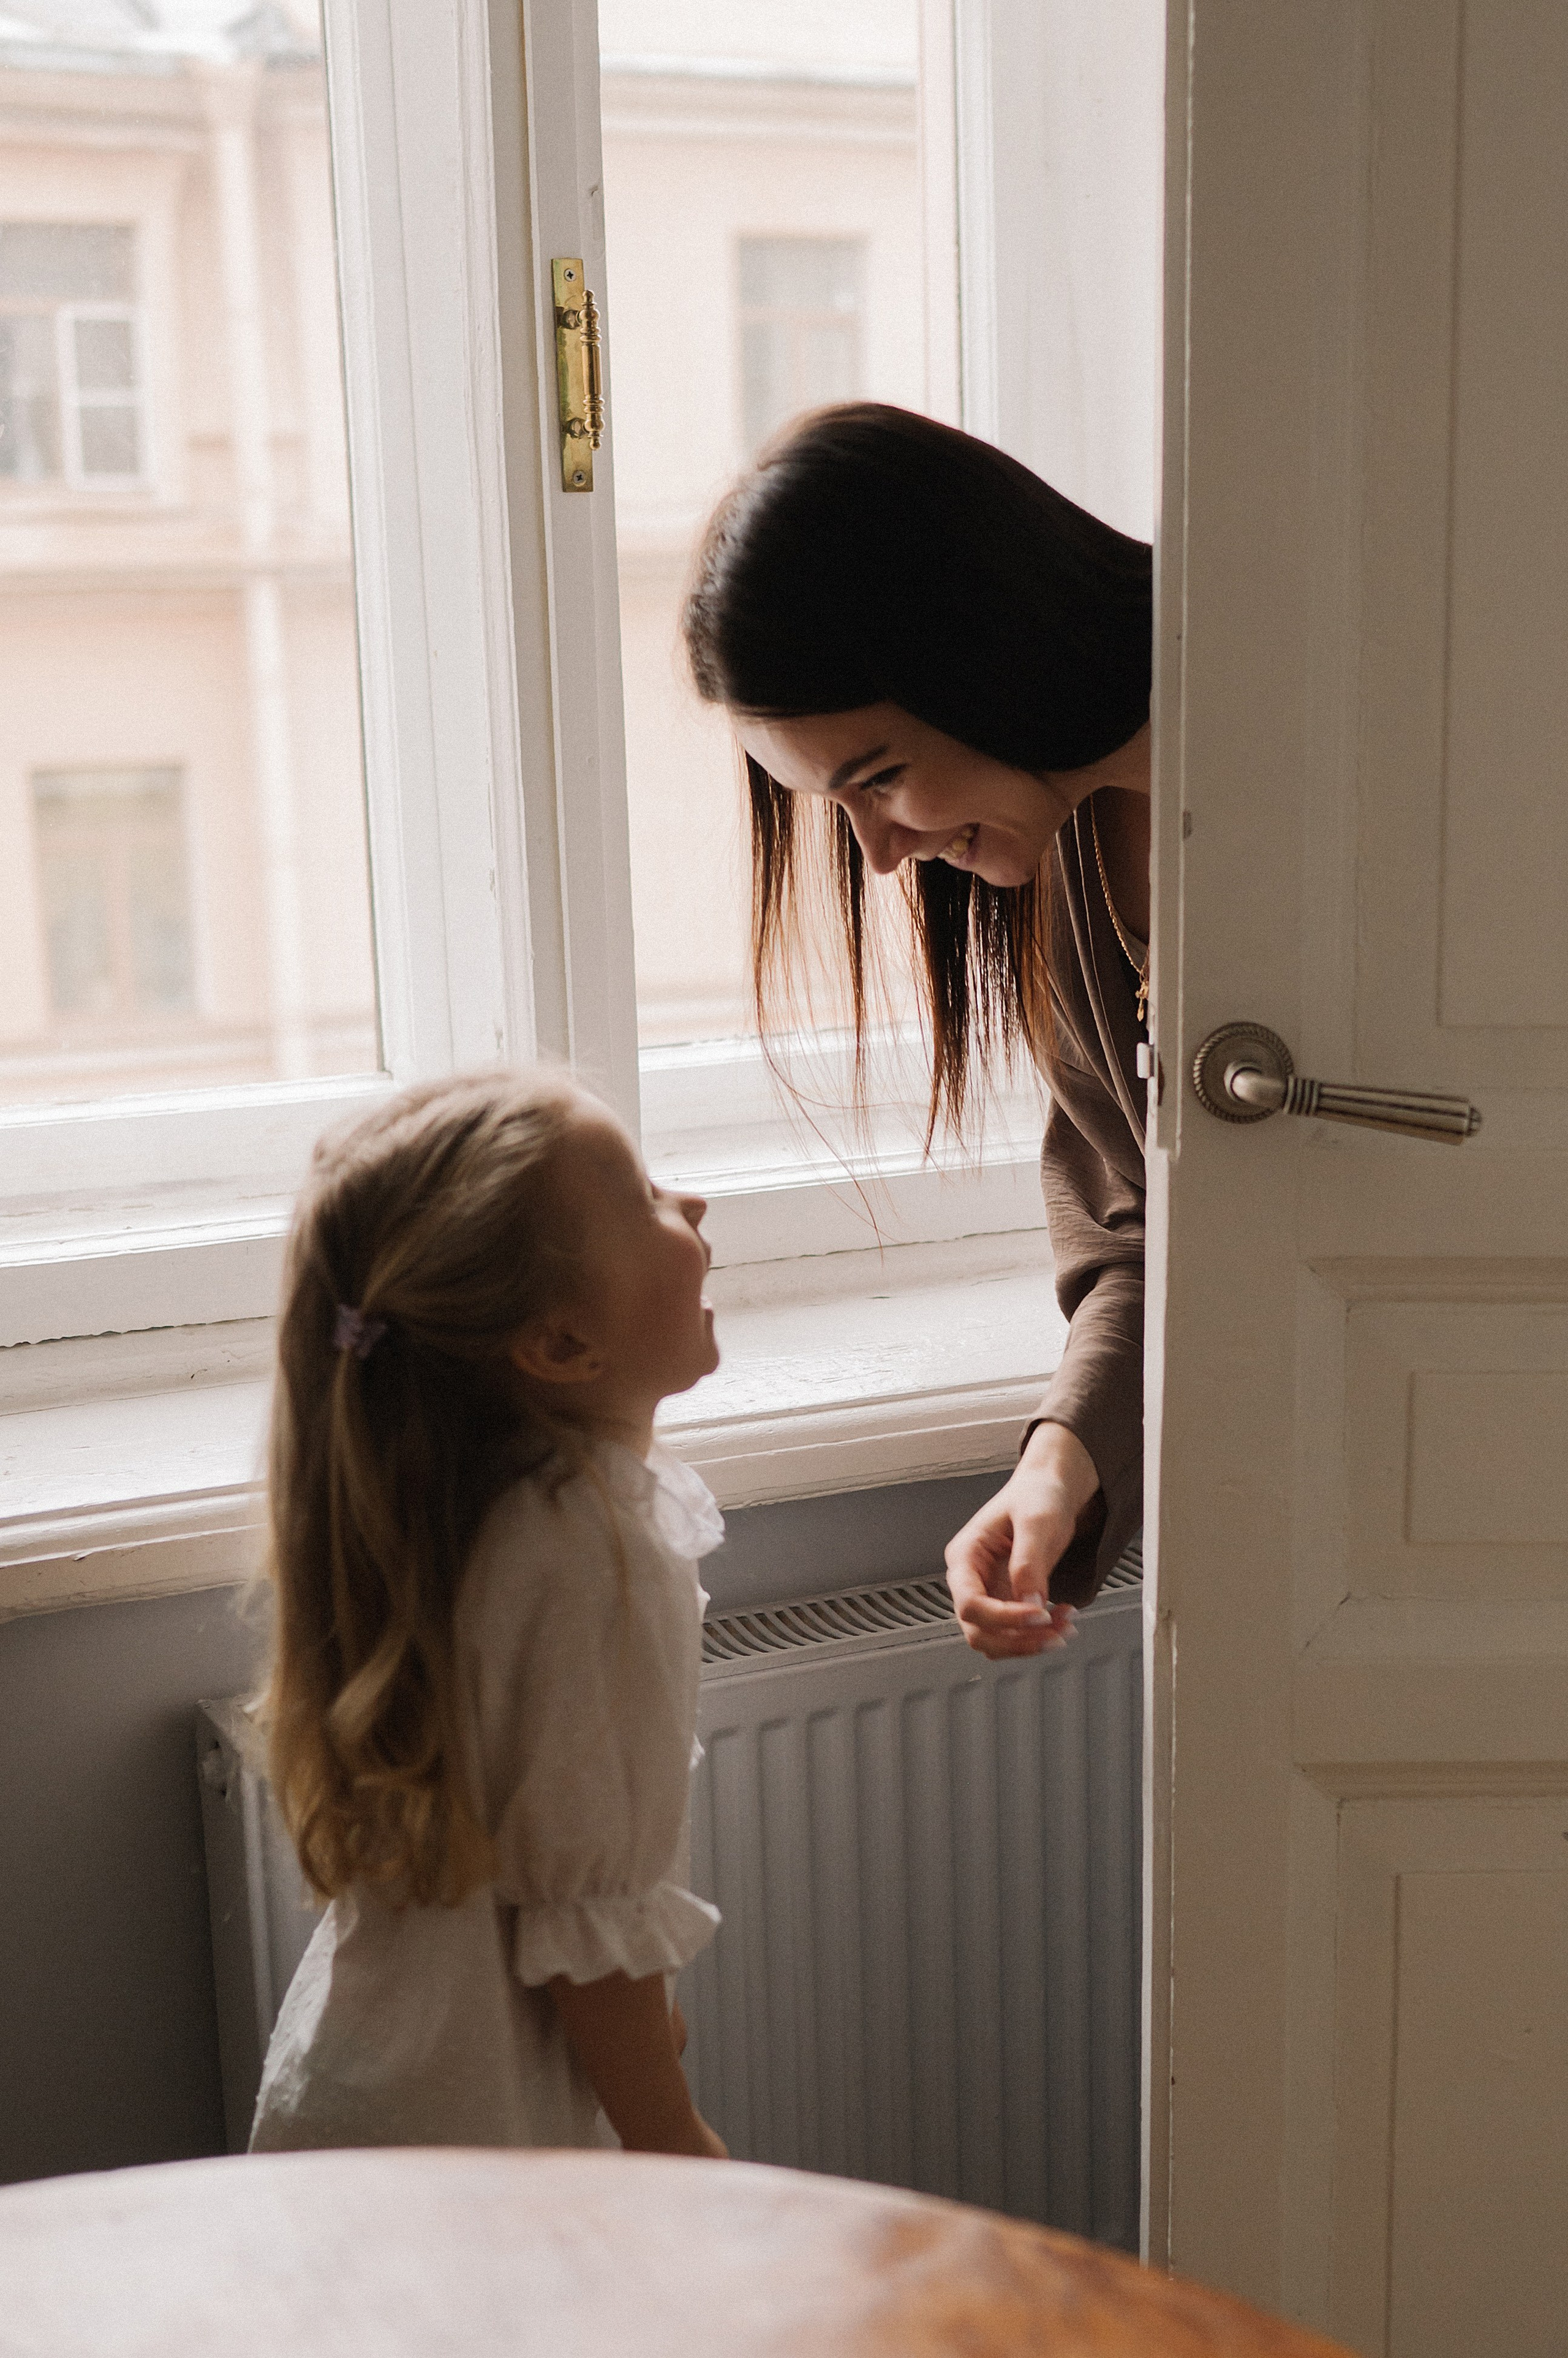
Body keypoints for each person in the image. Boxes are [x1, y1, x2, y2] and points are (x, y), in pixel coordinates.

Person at [682, 404, 1150, 1661]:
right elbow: (1142, 1237)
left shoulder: (1348, 775)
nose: (883, 855)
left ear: (988, 656)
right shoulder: (1064, 861)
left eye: (879, 778)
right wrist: (1057, 1464)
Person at [248, 1069, 729, 2158]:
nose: (693, 1203)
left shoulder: (469, 1513)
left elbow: (544, 1864)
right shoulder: (601, 1550)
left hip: (358, 2093)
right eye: (648, 1197)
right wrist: (681, 2145)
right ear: (561, 1345)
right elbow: (592, 1947)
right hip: (467, 2145)